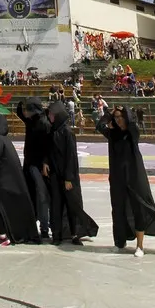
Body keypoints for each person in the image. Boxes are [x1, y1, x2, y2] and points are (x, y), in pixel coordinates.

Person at [98, 104, 155, 258]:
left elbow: (132, 126)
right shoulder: (113, 134)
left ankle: (140, 246)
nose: (119, 120)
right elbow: (99, 125)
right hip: (118, 178)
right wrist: (109, 114)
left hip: (134, 177)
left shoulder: (132, 132)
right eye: (117, 118)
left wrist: (125, 113)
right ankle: (120, 242)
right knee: (118, 210)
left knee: (138, 207)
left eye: (121, 117)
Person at [0, 99, 39, 246]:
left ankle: (7, 235)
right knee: (0, 206)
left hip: (4, 181)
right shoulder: (3, 139)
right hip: (6, 180)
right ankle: (5, 234)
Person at [46, 101, 98, 246]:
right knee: (56, 205)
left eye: (51, 114)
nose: (49, 116)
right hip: (55, 175)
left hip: (68, 177)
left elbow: (71, 157)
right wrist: (45, 162)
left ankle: (75, 233)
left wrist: (68, 178)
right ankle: (56, 234)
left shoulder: (67, 132)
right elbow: (48, 151)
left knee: (71, 206)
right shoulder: (52, 131)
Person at [16, 97, 52, 240]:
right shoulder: (30, 121)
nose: (25, 112)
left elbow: (48, 146)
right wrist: (22, 101)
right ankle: (32, 224)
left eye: (27, 109)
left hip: (38, 165)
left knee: (42, 196)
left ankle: (44, 227)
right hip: (30, 164)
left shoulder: (44, 123)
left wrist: (45, 162)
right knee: (31, 194)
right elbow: (19, 113)